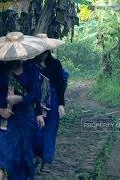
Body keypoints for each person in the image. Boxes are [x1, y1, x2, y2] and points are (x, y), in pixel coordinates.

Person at [0, 32, 48, 180]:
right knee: (2, 155)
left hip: (25, 120)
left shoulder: (30, 69)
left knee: (24, 156)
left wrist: (21, 99)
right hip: (3, 121)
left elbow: (35, 93)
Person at [33, 35, 68, 173]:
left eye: (44, 51)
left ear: (47, 51)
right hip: (35, 101)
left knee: (50, 131)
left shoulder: (55, 64)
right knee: (36, 130)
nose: (41, 54)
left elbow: (60, 85)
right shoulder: (30, 65)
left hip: (52, 101)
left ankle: (45, 161)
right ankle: (35, 156)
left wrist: (61, 104)